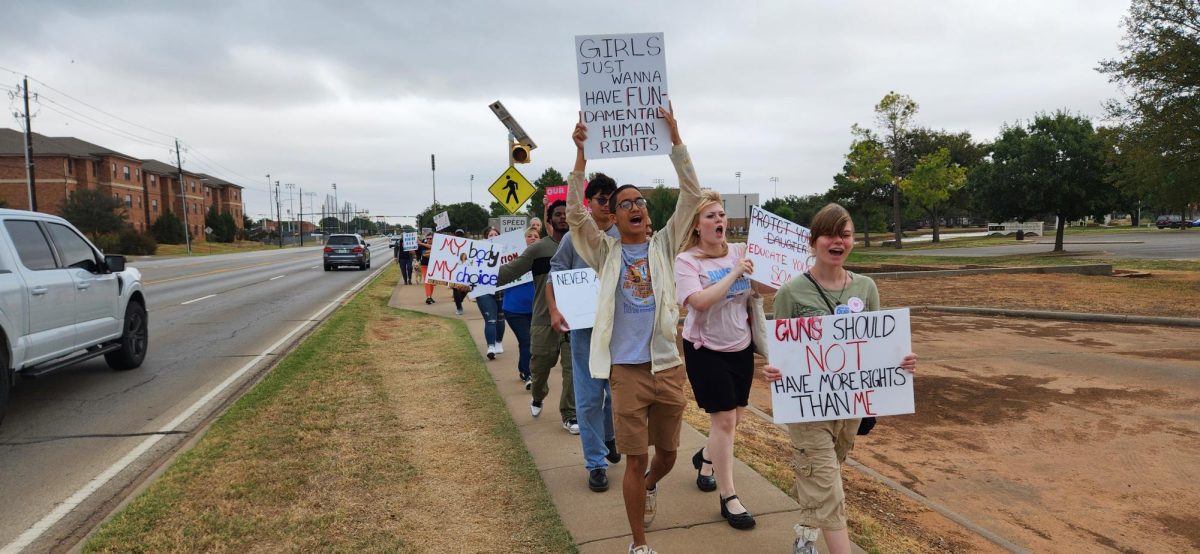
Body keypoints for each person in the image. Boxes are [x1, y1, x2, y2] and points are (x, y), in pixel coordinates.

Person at [566, 104, 699, 554]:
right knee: (635, 456)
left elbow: (692, 195)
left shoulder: (664, 243)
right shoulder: (605, 253)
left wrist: (675, 139)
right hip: (626, 370)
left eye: (640, 201)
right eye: (626, 204)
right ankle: (639, 543)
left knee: (668, 457)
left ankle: (648, 486)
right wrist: (580, 157)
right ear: (616, 217)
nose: (636, 207)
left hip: (666, 367)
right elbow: (575, 217)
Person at [763, 203, 918, 554]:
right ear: (814, 241)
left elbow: (878, 347)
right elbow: (782, 353)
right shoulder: (791, 293)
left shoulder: (866, 288)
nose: (838, 241)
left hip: (849, 409)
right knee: (829, 487)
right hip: (808, 410)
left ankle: (805, 533)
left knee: (825, 475)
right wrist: (774, 370)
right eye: (830, 234)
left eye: (845, 234)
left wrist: (901, 363)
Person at [675, 190, 767, 530]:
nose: (719, 221)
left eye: (722, 215)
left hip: (740, 346)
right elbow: (698, 302)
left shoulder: (741, 252)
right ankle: (729, 497)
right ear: (697, 226)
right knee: (725, 421)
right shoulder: (688, 261)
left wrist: (764, 275)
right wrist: (733, 274)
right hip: (704, 350)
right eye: (711, 216)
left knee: (734, 418)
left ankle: (706, 458)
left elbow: (762, 289)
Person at [547, 174, 621, 493]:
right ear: (588, 204)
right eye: (600, 199)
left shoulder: (626, 235)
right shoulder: (573, 238)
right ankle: (596, 463)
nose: (607, 205)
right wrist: (555, 309)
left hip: (621, 331)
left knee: (617, 396)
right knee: (589, 398)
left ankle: (609, 436)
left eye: (611, 198)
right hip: (584, 330)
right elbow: (555, 272)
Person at [497, 202, 577, 434]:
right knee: (540, 365)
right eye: (557, 215)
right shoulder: (538, 249)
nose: (563, 218)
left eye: (566, 214)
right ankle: (538, 395)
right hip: (543, 318)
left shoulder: (583, 247)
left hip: (574, 320)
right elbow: (508, 272)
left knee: (572, 369)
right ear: (549, 221)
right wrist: (474, 277)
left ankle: (570, 414)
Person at [503, 227, 539, 389]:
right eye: (529, 236)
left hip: (537, 309)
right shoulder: (511, 259)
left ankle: (522, 368)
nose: (532, 238)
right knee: (527, 340)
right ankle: (528, 374)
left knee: (530, 343)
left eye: (536, 236)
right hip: (514, 309)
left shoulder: (545, 258)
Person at [477, 227, 507, 359]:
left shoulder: (508, 251)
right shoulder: (478, 251)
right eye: (490, 235)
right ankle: (490, 347)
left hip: (501, 288)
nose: (493, 236)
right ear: (485, 237)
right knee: (490, 320)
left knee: (501, 318)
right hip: (484, 289)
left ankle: (498, 341)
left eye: (496, 234)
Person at [450, 229, 470, 315]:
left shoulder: (468, 244)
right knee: (455, 288)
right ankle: (459, 307)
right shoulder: (451, 244)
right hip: (454, 270)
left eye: (460, 234)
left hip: (465, 270)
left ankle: (459, 301)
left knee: (465, 289)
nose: (459, 236)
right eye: (457, 234)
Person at [420, 231, 435, 303]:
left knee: (432, 283)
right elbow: (425, 254)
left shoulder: (436, 245)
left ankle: (430, 296)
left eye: (430, 238)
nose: (429, 240)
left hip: (434, 267)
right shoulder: (423, 246)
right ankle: (428, 297)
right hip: (425, 266)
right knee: (427, 281)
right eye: (427, 238)